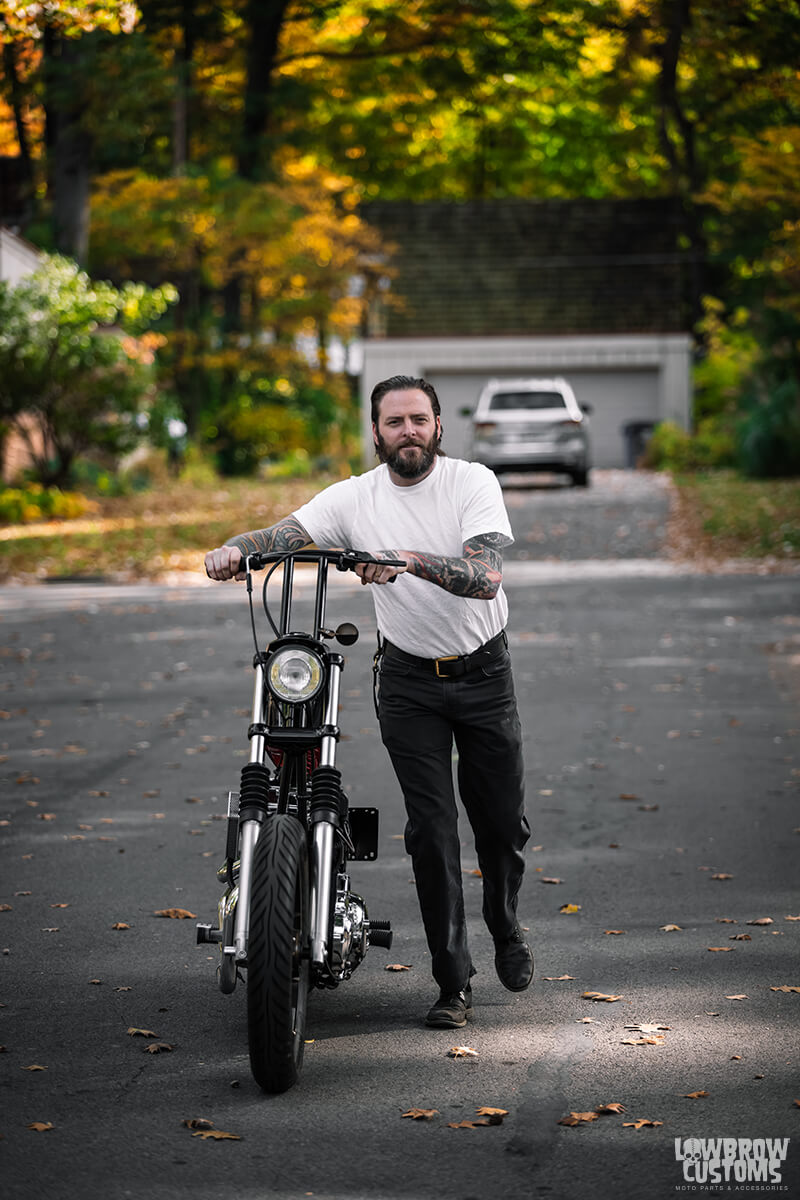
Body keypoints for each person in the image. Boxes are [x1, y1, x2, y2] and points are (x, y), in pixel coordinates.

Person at [204, 375, 532, 1029]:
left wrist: (404, 559)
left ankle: (503, 917)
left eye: (418, 419)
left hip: (484, 674)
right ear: (376, 432)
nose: (407, 430)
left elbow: (485, 575)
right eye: (394, 421)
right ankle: (453, 983)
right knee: (431, 831)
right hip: (409, 683)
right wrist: (238, 550)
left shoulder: (472, 484)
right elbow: (289, 533)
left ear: (439, 425)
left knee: (500, 826)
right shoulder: (355, 496)